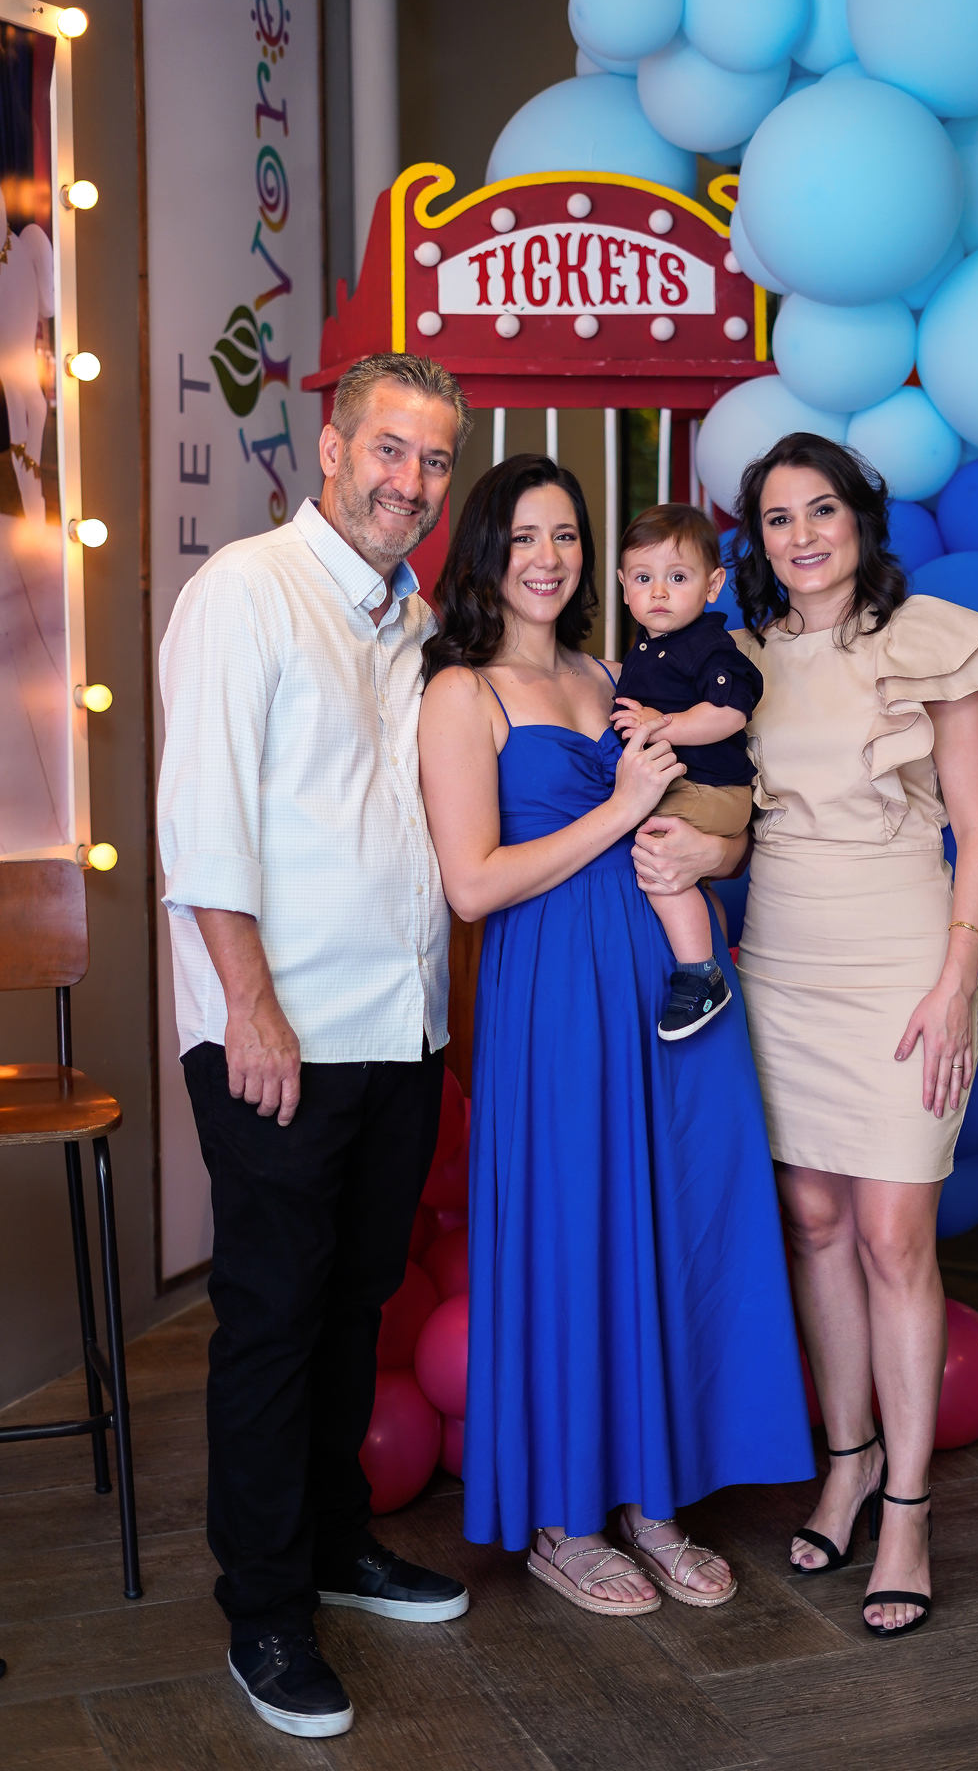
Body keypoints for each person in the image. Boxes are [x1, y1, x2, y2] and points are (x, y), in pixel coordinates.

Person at [418, 453, 813, 1616]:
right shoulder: (462, 692)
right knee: (574, 1226)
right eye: (524, 536)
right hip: (552, 988)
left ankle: (654, 1501)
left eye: (567, 536)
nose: (549, 558)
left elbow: (722, 821)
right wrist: (622, 809)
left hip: (668, 980)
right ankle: (564, 1518)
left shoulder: (614, 671)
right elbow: (473, 885)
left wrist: (715, 847)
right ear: (485, 553)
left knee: (673, 1218)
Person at [157, 354, 473, 1739]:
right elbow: (203, 823)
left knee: (355, 1308)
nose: (412, 482)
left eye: (436, 461)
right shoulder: (249, 591)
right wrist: (251, 1008)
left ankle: (337, 1545)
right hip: (279, 1034)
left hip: (397, 1028)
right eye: (390, 450)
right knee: (276, 1321)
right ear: (332, 449)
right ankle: (267, 1611)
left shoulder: (412, 620)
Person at [729, 433, 978, 1639]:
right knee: (813, 1221)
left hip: (904, 964)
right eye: (778, 518)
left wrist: (958, 976)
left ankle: (906, 1507)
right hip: (780, 965)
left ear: (860, 519)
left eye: (821, 510)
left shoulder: (931, 639)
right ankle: (844, 1465)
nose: (802, 536)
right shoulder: (743, 656)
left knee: (897, 1234)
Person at [610, 504, 763, 1040]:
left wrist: (663, 725)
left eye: (677, 578)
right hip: (694, 787)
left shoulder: (707, 646)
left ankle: (700, 974)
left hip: (712, 789)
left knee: (652, 845)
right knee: (680, 869)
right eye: (643, 579)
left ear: (712, 585)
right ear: (624, 586)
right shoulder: (648, 647)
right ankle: (711, 942)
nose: (659, 592)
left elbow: (730, 711)